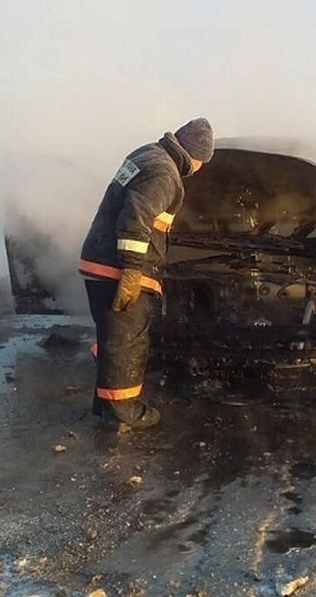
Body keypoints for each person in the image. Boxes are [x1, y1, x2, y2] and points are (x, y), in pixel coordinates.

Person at [79, 118, 215, 430]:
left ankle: (106, 407)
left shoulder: (147, 154)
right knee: (128, 341)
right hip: (118, 269)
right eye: (202, 162)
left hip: (99, 261)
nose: (201, 169)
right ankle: (125, 413)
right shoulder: (165, 173)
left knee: (113, 340)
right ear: (194, 154)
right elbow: (135, 221)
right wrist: (131, 271)